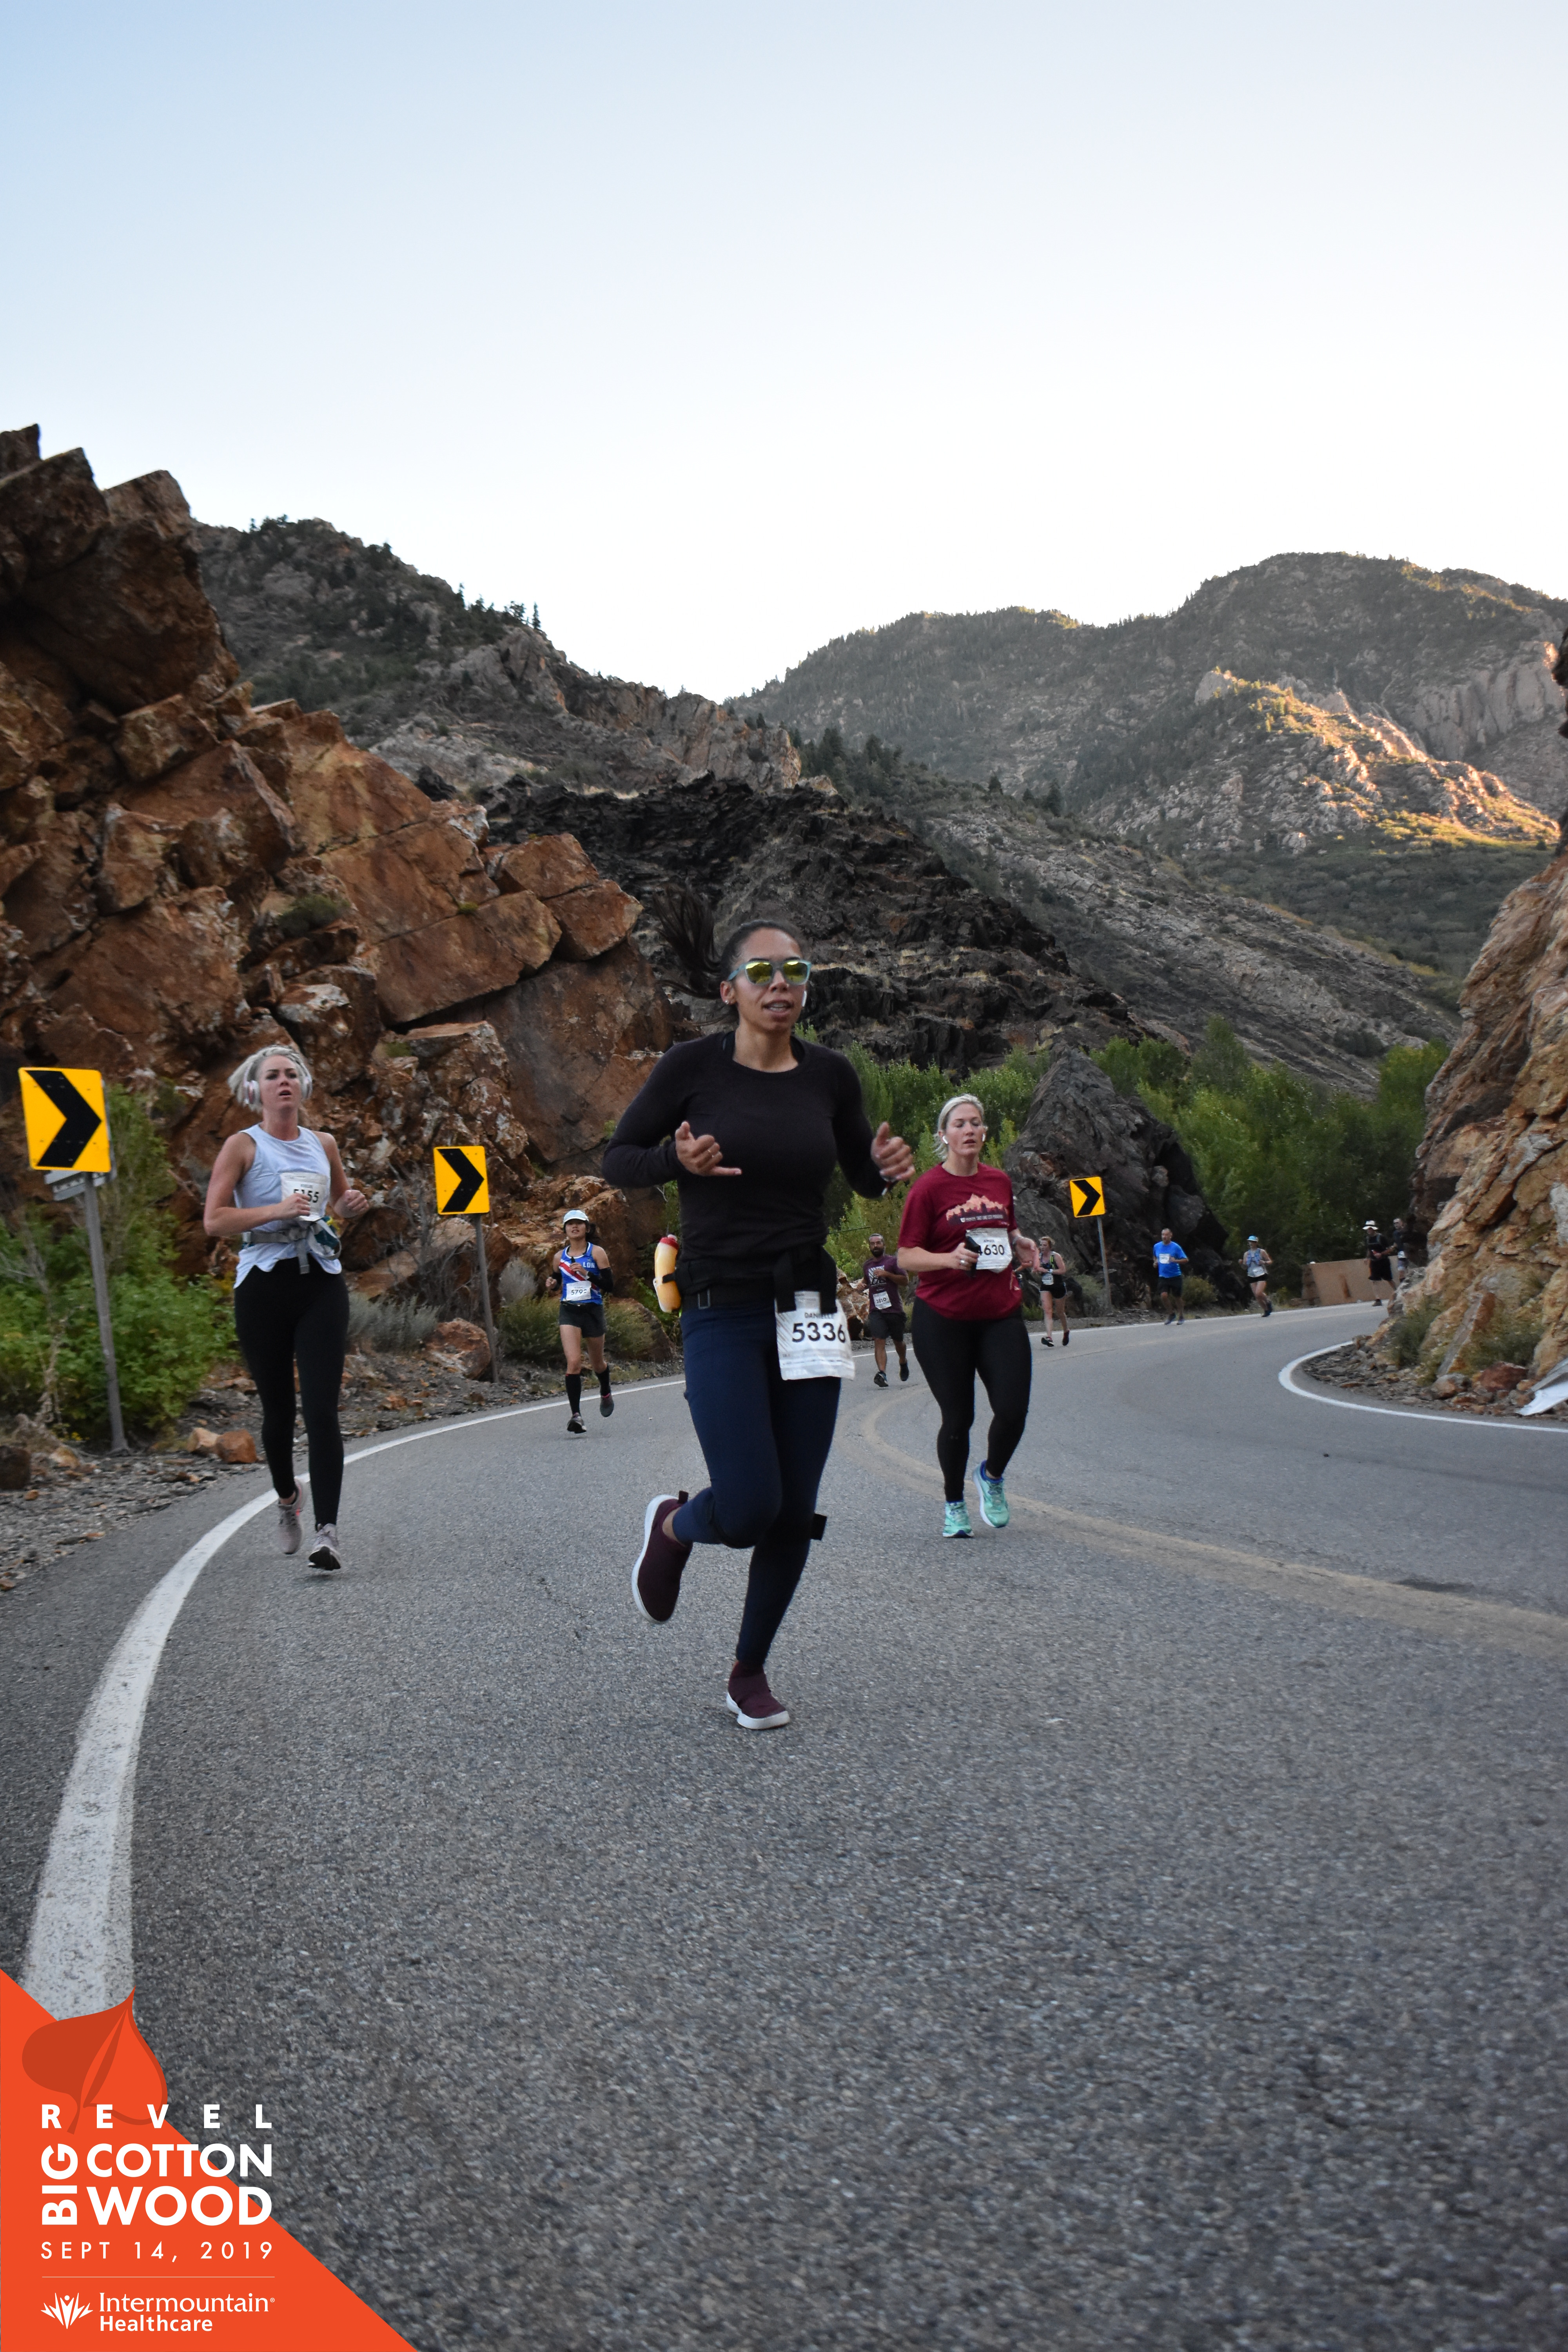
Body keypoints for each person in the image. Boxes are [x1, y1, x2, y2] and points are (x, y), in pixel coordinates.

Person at [605, 896, 913, 1730]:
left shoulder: (830, 1075)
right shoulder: (691, 1068)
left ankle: (749, 1670)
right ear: (730, 990)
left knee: (793, 1506)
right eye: (763, 971)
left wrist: (884, 1168)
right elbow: (618, 1158)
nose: (782, 984)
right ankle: (676, 1525)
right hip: (721, 1304)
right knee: (746, 1506)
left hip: (808, 1306)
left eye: (796, 970)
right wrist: (676, 1159)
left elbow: (861, 1173)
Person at [203, 1044, 368, 1573]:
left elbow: (338, 1203)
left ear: (304, 1087)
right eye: (273, 1075)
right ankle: (287, 1497)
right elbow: (214, 1220)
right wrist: (275, 1209)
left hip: (320, 1282)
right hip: (263, 1286)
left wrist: (349, 1205)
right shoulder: (242, 1146)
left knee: (321, 1410)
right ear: (256, 1090)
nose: (283, 1082)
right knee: (277, 1414)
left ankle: (328, 1533)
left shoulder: (324, 1143)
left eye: (291, 1075)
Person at [896, 1095, 1041, 1538]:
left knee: (1013, 1411)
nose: (969, 1130)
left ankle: (992, 1477)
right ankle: (954, 1505)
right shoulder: (928, 1189)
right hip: (943, 1318)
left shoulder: (998, 1181)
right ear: (944, 1136)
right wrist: (947, 1260)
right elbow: (906, 1256)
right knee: (959, 1419)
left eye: (976, 1123)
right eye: (959, 1124)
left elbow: (1005, 1226)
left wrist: (1020, 1241)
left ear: (984, 1132)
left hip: (1000, 1313)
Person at [544, 1209, 613, 1432]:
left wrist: (588, 1274)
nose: (574, 1227)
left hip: (593, 1311)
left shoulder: (597, 1253)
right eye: (570, 1224)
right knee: (574, 1363)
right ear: (565, 1230)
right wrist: (552, 1284)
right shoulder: (559, 1257)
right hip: (570, 1311)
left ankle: (605, 1390)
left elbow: (610, 1285)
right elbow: (557, 1278)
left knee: (597, 1364)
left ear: (587, 1228)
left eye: (579, 1223)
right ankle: (576, 1416)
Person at [861, 1232, 910, 1386]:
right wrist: (862, 1286)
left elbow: (905, 1281)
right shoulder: (867, 1265)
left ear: (884, 1245)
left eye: (878, 1243)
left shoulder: (893, 1262)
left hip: (894, 1309)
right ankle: (882, 1374)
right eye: (873, 1244)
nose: (876, 1246)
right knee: (879, 1340)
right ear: (870, 1247)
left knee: (898, 1341)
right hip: (876, 1310)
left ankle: (903, 1361)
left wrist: (887, 1274)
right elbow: (867, 1281)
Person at [1038, 1234, 1071, 1346]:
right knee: (1048, 1311)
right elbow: (1035, 1269)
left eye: (1045, 1245)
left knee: (1060, 1312)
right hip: (1045, 1286)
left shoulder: (1055, 1256)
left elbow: (1063, 1270)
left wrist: (1049, 1271)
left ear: (1050, 1247)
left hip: (1058, 1286)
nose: (1042, 1247)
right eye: (1041, 1245)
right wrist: (1036, 1269)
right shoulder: (1039, 1257)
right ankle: (1049, 1337)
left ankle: (1066, 1331)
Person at [1153, 1228, 1187, 1325]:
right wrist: (1155, 1262)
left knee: (1178, 1297)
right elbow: (1155, 1256)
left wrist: (1175, 1261)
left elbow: (1186, 1260)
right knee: (1163, 1296)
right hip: (1163, 1276)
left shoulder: (1176, 1247)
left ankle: (1181, 1316)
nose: (1164, 1237)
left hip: (1175, 1276)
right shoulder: (1157, 1246)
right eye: (1163, 1235)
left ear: (1171, 1236)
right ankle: (1171, 1314)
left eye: (1166, 1235)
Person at [1365, 1219, 1396, 1313]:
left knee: (1389, 1279)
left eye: (1370, 1228)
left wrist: (1381, 1254)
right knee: (1374, 1280)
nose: (1369, 1230)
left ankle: (1397, 1292)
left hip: (1384, 1261)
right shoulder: (1368, 1239)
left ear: (1374, 1229)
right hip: (1374, 1262)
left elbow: (1390, 1249)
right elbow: (1369, 1249)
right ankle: (1378, 1299)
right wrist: (1367, 1258)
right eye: (1368, 1229)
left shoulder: (1381, 1238)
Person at [1242, 1234, 1273, 1316]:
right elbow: (1245, 1267)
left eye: (1253, 1242)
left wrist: (1264, 1262)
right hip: (1251, 1275)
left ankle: (1268, 1302)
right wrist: (1243, 1264)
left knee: (1259, 1293)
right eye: (1250, 1242)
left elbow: (1270, 1261)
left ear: (1256, 1243)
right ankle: (1266, 1310)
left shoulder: (1261, 1252)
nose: (1251, 1243)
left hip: (1261, 1274)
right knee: (1257, 1296)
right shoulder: (1247, 1254)